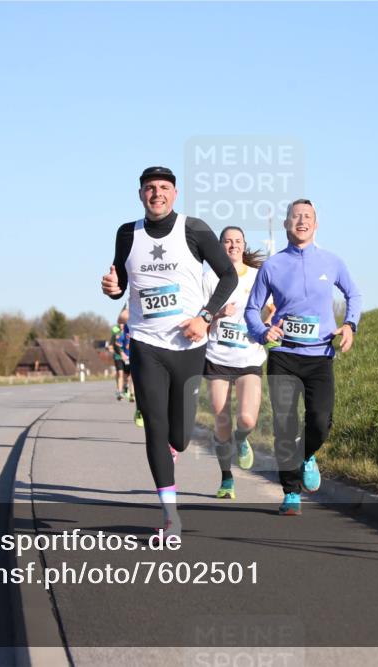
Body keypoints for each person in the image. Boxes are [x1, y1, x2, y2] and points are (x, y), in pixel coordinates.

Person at [101, 166, 237, 537]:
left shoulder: (194, 230)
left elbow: (229, 276)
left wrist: (205, 318)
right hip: (146, 344)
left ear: (175, 193)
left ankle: (173, 449)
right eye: (149, 188)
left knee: (179, 435)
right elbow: (121, 283)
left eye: (163, 188)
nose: (156, 193)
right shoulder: (127, 233)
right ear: (140, 194)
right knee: (156, 429)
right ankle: (169, 514)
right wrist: (113, 288)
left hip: (189, 344)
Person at [245, 199, 362, 516]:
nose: (301, 221)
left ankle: (307, 454)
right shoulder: (272, 266)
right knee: (285, 423)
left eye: (307, 216)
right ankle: (291, 492)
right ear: (285, 224)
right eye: (295, 216)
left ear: (316, 223)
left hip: (319, 356)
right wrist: (262, 332)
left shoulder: (331, 262)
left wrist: (350, 325)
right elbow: (252, 309)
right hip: (283, 355)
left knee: (320, 421)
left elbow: (353, 294)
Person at [202, 226, 273, 500]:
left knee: (246, 418)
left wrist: (268, 322)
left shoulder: (258, 277)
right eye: (227, 241)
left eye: (238, 241)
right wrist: (219, 314)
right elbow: (201, 321)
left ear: (244, 245)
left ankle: (242, 439)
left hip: (249, 357)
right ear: (220, 247)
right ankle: (226, 478)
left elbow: (271, 313)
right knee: (221, 422)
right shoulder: (209, 278)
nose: (233, 245)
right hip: (217, 358)